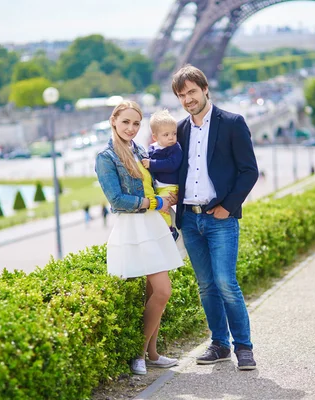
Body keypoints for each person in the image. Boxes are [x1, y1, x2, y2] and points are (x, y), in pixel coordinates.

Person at [171, 65, 258, 371]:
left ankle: (243, 347)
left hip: (219, 216)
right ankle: (219, 343)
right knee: (206, 285)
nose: (187, 99)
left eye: (192, 92)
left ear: (205, 89)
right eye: (181, 95)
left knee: (225, 282)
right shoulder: (180, 129)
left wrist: (228, 207)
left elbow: (249, 170)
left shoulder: (232, 123)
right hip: (190, 220)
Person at [95, 100, 183, 375]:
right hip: (134, 228)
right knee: (163, 290)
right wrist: (155, 203)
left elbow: (154, 182)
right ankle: (139, 354)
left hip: (153, 226)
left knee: (154, 292)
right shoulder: (106, 157)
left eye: (136, 123)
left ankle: (152, 353)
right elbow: (117, 200)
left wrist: (168, 196)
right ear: (114, 121)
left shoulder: (141, 151)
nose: (131, 128)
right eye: (126, 122)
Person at [141, 109, 183, 240]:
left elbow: (172, 164)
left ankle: (170, 230)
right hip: (158, 186)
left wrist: (151, 164)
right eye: (166, 135)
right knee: (155, 208)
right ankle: (162, 229)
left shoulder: (175, 148)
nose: (171, 137)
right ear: (155, 137)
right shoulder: (152, 148)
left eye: (174, 133)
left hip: (170, 186)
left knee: (162, 207)